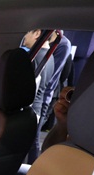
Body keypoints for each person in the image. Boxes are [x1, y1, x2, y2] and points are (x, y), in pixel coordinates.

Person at [21, 29, 55, 163]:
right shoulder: (50, 57)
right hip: (37, 109)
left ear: (37, 34)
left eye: (27, 32)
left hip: (28, 110)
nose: (25, 36)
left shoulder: (33, 58)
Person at [38, 31, 72, 133]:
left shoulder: (63, 44)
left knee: (34, 134)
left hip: (44, 94)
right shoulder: (43, 38)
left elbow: (52, 75)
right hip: (40, 92)